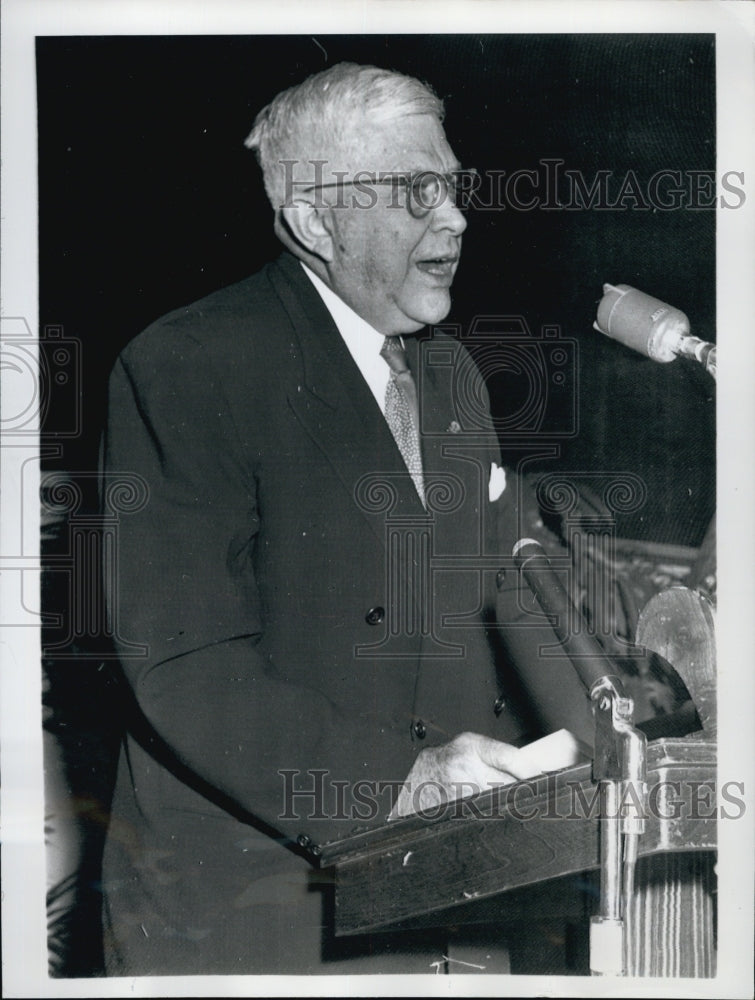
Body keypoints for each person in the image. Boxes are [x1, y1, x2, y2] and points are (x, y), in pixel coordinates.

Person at [100, 61, 595, 976]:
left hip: (447, 895)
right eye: (417, 190)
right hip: (261, 916)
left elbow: (514, 590)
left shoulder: (450, 376)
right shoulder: (190, 363)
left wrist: (619, 724)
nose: (454, 218)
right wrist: (397, 785)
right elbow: (183, 664)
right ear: (314, 220)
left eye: (452, 187)